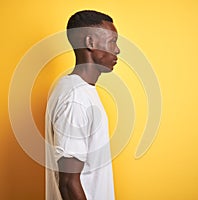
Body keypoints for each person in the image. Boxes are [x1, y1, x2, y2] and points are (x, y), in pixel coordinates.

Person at [45, 10, 120, 200]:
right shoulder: (76, 98)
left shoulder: (77, 90)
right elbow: (69, 183)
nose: (117, 50)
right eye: (112, 41)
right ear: (90, 43)